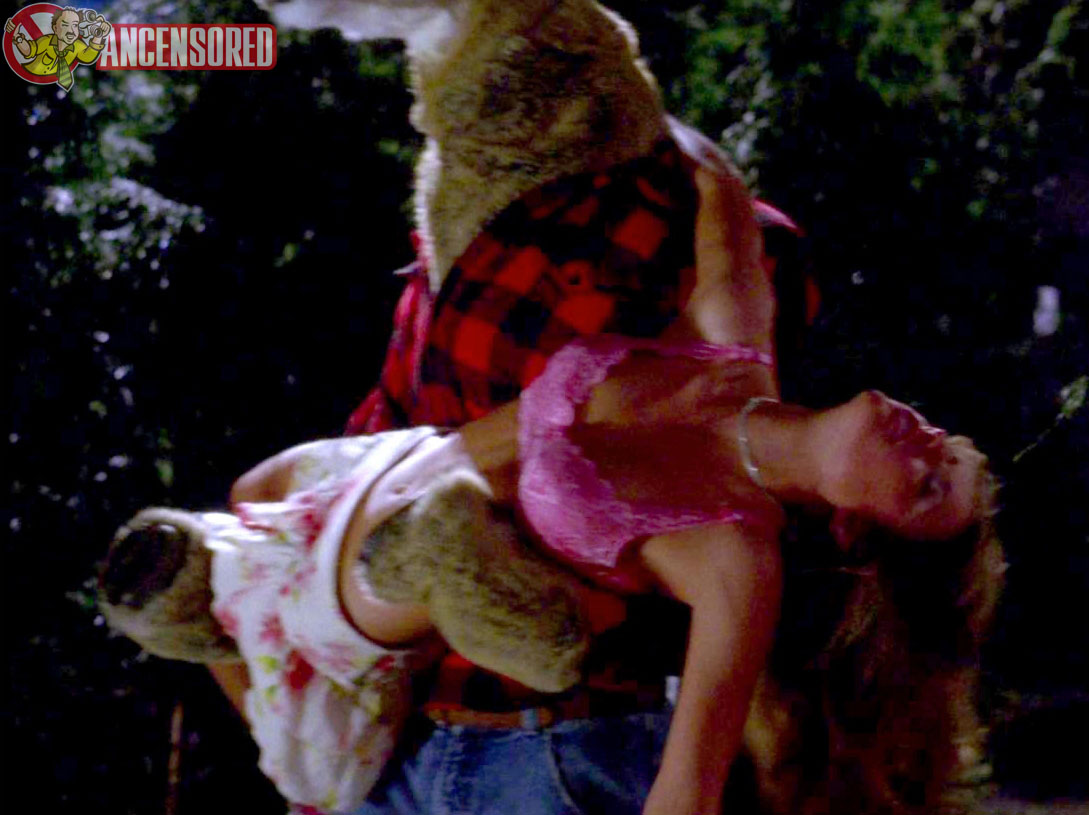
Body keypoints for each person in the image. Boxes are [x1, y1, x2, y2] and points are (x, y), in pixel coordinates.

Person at [100, 167, 999, 815]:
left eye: (927, 485)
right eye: (946, 442)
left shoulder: (736, 550)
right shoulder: (726, 345)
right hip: (404, 720)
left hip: (541, 753)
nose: (925, 439)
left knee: (378, 636)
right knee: (254, 538)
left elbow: (684, 790)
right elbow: (710, 181)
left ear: (852, 532)